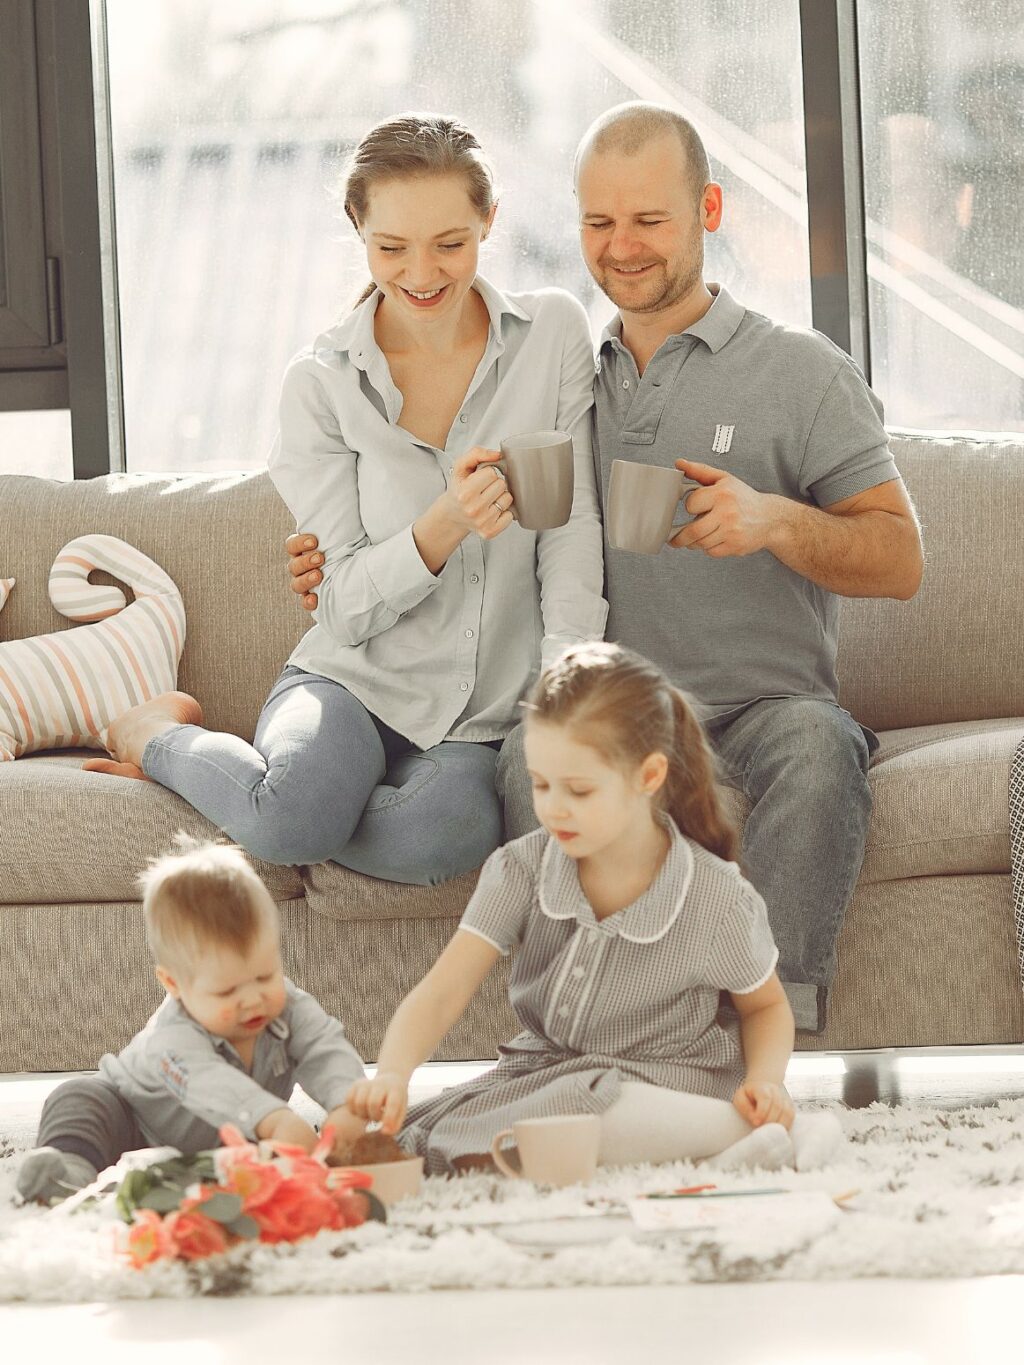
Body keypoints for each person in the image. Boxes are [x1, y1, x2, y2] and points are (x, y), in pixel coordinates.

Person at [288, 104, 925, 1029]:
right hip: (616, 721)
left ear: (709, 210)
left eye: (650, 220)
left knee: (821, 748)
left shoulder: (801, 371)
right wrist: (325, 553)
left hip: (762, 713)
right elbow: (429, 479)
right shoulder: (567, 371)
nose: (622, 247)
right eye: (599, 222)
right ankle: (590, 1028)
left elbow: (901, 558)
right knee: (526, 758)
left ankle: (758, 1031)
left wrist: (774, 520)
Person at [83, 112, 606, 887]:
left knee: (450, 830)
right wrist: (443, 524)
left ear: (490, 222)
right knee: (293, 816)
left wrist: (566, 683)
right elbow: (345, 608)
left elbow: (570, 526)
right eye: (391, 247)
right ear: (356, 227)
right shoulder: (322, 384)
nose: (422, 273)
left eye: (450, 244)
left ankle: (270, 807)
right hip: (350, 682)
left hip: (479, 715)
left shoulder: (552, 333)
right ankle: (154, 735)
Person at [345, 643, 842, 1177]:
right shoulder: (521, 869)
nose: (553, 808)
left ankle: (766, 1133)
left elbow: (765, 1008)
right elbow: (444, 991)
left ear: (648, 776)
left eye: (578, 790)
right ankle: (728, 1149)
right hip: (548, 1076)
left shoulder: (716, 894)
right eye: (540, 785)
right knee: (431, 1140)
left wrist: (765, 1081)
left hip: (672, 1079)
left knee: (586, 1107)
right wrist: (394, 1073)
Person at [16, 838, 368, 1205]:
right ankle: (69, 1174)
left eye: (265, 976)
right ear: (174, 984)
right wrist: (274, 1119)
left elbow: (324, 1049)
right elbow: (208, 1082)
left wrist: (346, 1104)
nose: (253, 999)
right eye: (226, 990)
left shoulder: (290, 1008)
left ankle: (173, 1182)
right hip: (132, 1119)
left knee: (259, 1164)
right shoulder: (173, 1036)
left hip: (220, 1144)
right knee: (79, 1098)